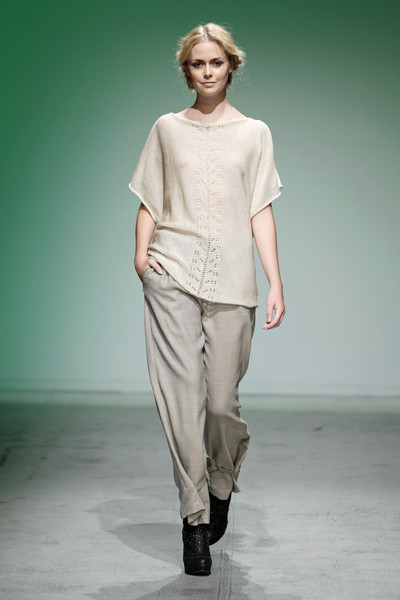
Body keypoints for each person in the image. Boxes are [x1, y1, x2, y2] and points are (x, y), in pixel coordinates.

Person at [128, 23, 285, 577]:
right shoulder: (167, 129)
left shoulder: (255, 133)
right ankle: (194, 520)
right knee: (182, 399)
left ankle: (220, 486)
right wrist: (142, 258)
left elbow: (260, 209)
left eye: (216, 62)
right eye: (198, 63)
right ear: (187, 71)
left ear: (231, 66)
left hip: (234, 281)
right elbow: (150, 198)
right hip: (171, 270)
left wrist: (275, 281)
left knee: (221, 404)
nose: (208, 71)